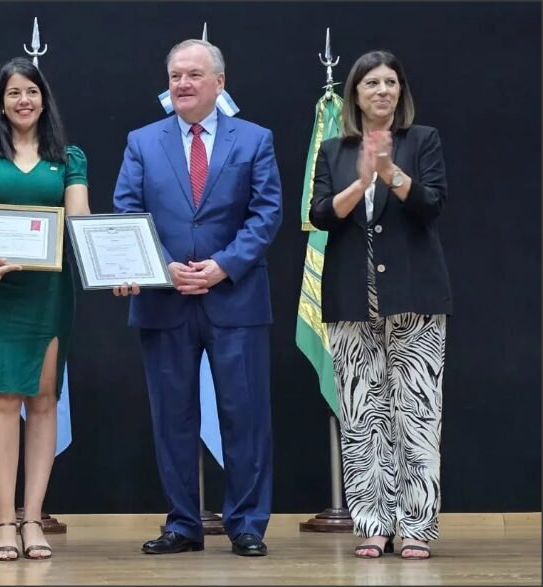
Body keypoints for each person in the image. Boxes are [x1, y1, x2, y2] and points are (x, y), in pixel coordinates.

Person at [112, 39, 282, 557]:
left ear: (219, 83)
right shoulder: (142, 141)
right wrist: (161, 266)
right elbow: (127, 210)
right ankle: (183, 523)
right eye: (175, 76)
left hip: (235, 297)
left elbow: (266, 213)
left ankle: (247, 523)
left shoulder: (254, 140)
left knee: (244, 414)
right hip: (165, 300)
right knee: (173, 418)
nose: (182, 84)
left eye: (193, 75)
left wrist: (222, 266)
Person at [309, 50, 450, 561]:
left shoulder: (423, 141)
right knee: (362, 413)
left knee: (417, 413)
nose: (383, 90)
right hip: (351, 298)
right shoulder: (333, 149)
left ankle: (415, 526)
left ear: (401, 92)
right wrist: (362, 180)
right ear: (356, 94)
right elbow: (321, 215)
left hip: (415, 296)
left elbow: (432, 204)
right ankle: (372, 521)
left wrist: (390, 172)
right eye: (372, 83)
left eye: (391, 82)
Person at [0, 57, 89, 561]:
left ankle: (33, 518)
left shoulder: (70, 157)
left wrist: (111, 262)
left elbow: (78, 226)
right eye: (13, 93)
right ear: (1, 101)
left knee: (42, 401)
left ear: (44, 98)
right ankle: (3, 521)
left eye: (31, 92)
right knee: (2, 401)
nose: (23, 101)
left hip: (48, 293)